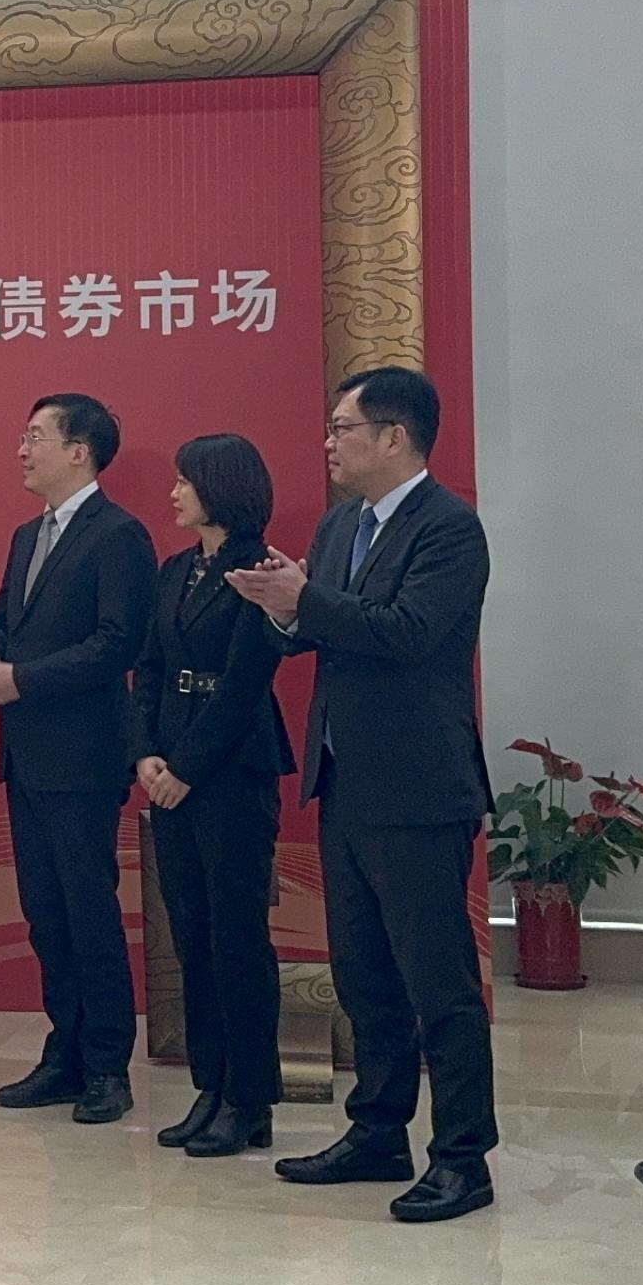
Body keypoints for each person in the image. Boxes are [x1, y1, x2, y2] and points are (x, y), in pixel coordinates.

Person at [229, 367, 497, 1224]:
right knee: (363, 975)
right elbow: (317, 631)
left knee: (436, 983)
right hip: (343, 781)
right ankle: (377, 1131)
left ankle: (462, 1157)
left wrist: (305, 598)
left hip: (417, 788)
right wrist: (283, 607)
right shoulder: (342, 522)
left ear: (394, 436)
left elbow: (406, 632)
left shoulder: (448, 527)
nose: (328, 443)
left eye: (342, 428)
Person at [0, 394, 157, 1125]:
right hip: (25, 752)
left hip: (83, 756)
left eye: (35, 437)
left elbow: (117, 643)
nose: (21, 450)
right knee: (44, 913)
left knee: (88, 911)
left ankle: (106, 1065)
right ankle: (63, 1052)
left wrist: (25, 679)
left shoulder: (118, 534)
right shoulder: (26, 536)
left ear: (79, 451)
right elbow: (5, 620)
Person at [129, 434, 293, 1158]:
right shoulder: (175, 570)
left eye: (184, 480)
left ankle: (249, 1097)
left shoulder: (260, 569)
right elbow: (148, 668)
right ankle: (211, 1083)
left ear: (220, 486)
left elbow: (246, 685)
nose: (173, 492)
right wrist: (146, 754)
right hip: (169, 764)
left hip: (231, 770)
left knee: (236, 937)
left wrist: (186, 768)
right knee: (190, 934)